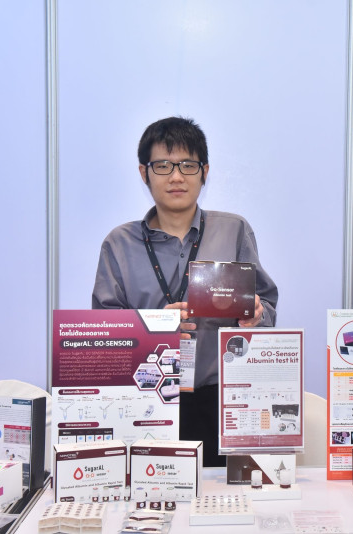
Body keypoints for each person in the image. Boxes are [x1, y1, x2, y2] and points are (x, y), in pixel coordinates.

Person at [92, 116, 278, 466]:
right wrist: (154, 327)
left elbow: (267, 306)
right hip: (144, 401)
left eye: (188, 165)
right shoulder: (119, 244)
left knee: (223, 495)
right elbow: (104, 332)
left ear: (204, 172)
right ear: (144, 173)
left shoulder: (234, 231)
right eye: (163, 165)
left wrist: (257, 314)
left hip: (222, 402)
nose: (176, 177)